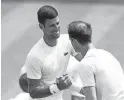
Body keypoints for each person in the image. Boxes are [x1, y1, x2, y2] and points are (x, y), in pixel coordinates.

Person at [21, 5, 83, 100]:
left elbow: (85, 60)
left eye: (57, 23)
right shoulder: (34, 56)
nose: (57, 28)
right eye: (52, 25)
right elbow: (33, 92)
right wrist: (56, 87)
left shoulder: (68, 41)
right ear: (41, 27)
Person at [67, 20, 124, 100]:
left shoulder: (85, 64)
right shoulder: (108, 55)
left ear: (74, 41)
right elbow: (100, 92)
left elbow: (92, 98)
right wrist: (71, 86)